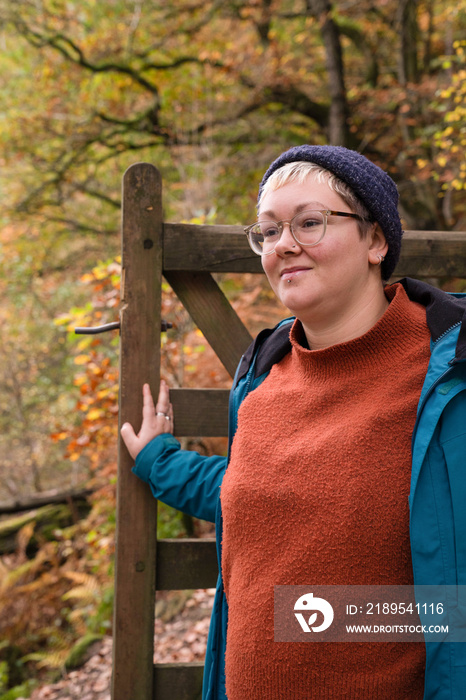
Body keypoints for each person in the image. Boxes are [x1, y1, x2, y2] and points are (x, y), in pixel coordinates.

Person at [120, 145, 466, 700]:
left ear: (376, 241)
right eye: (268, 231)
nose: (284, 244)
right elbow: (264, 492)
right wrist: (159, 460)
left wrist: (322, 617)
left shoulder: (450, 379)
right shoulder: (261, 376)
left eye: (310, 222)